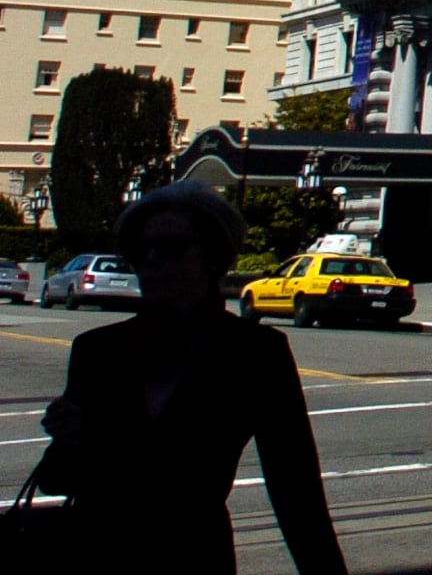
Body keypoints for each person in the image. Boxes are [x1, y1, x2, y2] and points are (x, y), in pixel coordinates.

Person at [31, 181, 347, 573]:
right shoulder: (98, 350)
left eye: (171, 248)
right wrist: (68, 439)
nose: (151, 260)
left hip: (195, 554)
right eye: (140, 250)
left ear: (213, 257)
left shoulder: (255, 353)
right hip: (99, 552)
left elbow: (295, 488)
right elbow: (57, 479)